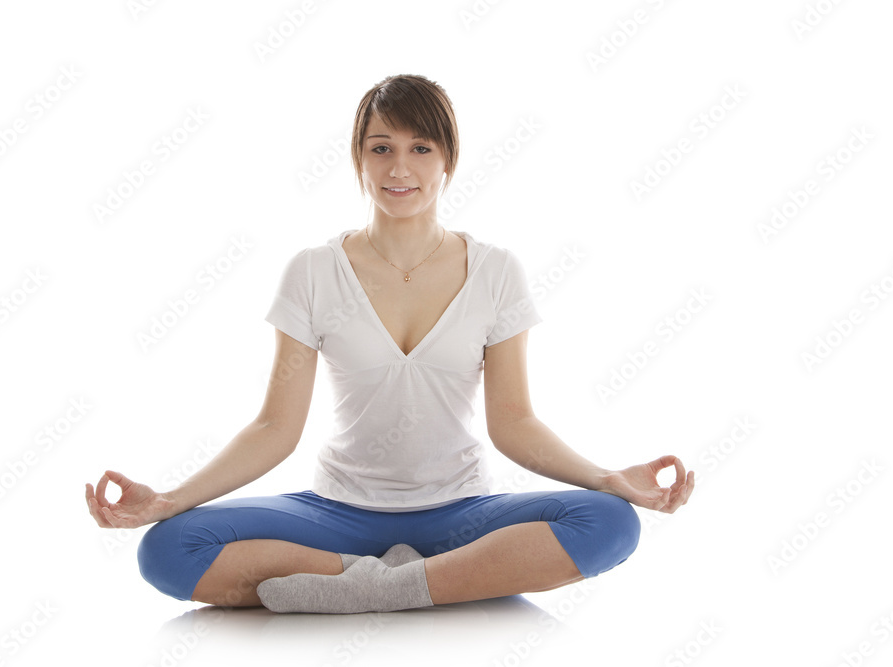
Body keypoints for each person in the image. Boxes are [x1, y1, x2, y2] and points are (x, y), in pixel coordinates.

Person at [84, 73, 694, 614]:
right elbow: (275, 428)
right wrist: (169, 498)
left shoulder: (495, 271)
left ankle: (373, 589)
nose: (400, 169)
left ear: (447, 160)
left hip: (461, 512)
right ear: (359, 160)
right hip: (336, 512)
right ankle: (430, 585)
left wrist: (606, 477)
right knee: (167, 550)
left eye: (420, 149)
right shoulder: (314, 271)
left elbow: (514, 422)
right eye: (382, 149)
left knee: (609, 522)